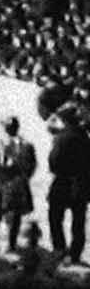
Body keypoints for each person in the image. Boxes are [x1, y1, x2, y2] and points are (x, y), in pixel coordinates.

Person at [0, 115, 36, 253]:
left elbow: (31, 165)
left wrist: (20, 176)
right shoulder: (4, 143)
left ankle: (5, 244)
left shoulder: (21, 144)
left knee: (9, 214)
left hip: (9, 181)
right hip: (7, 180)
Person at [47, 103, 90, 264]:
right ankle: (75, 254)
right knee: (78, 222)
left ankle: (59, 248)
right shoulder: (85, 137)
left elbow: (53, 161)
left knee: (55, 217)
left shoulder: (62, 137)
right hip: (81, 183)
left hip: (62, 182)